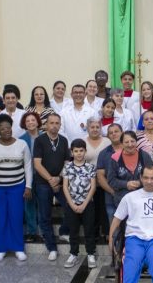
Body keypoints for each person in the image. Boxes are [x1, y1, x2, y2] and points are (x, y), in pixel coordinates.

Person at [0, 114, 33, 261]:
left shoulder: (21, 144)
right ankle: (0, 248)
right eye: (2, 128)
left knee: (16, 217)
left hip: (17, 187)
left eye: (8, 127)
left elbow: (28, 166)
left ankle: (18, 248)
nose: (6, 130)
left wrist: (28, 186)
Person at [33, 114, 70, 261]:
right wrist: (50, 179)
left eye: (57, 123)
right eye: (51, 123)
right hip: (43, 183)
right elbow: (37, 163)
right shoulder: (40, 140)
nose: (54, 125)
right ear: (46, 125)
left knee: (69, 206)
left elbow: (67, 162)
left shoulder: (64, 140)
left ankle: (63, 231)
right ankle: (51, 247)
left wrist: (58, 178)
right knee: (44, 215)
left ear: (60, 125)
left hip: (60, 182)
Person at [61, 139, 98, 268]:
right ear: (72, 152)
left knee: (89, 230)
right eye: (76, 151)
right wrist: (72, 204)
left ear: (85, 151)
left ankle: (91, 254)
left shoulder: (90, 167)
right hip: (71, 204)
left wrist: (84, 204)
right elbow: (65, 187)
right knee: (73, 230)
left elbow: (93, 187)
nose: (79, 153)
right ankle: (73, 254)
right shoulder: (67, 167)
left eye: (81, 150)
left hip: (87, 204)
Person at [108, 131, 153, 208]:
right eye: (126, 142)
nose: (130, 145)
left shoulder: (144, 155)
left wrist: (141, 182)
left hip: (144, 200)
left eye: (132, 141)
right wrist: (126, 184)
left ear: (136, 142)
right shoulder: (115, 158)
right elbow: (111, 180)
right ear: (122, 143)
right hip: (123, 201)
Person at [84, 117, 112, 241]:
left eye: (97, 127)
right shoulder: (82, 142)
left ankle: (106, 232)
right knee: (91, 209)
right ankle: (93, 233)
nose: (95, 129)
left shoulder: (107, 141)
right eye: (92, 127)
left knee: (103, 207)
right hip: (87, 182)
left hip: (104, 181)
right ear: (87, 128)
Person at [19, 112, 42, 243]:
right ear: (24, 124)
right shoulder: (21, 139)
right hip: (28, 176)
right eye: (28, 121)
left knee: (43, 204)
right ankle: (32, 231)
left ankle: (44, 230)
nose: (31, 123)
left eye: (33, 120)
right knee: (29, 204)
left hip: (43, 176)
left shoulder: (45, 137)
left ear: (38, 121)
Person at [97, 124, 124, 223]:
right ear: (108, 136)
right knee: (114, 226)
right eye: (111, 133)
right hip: (110, 196)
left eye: (116, 131)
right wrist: (113, 192)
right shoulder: (104, 153)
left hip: (130, 194)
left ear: (122, 133)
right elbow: (100, 177)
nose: (113, 134)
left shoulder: (130, 149)